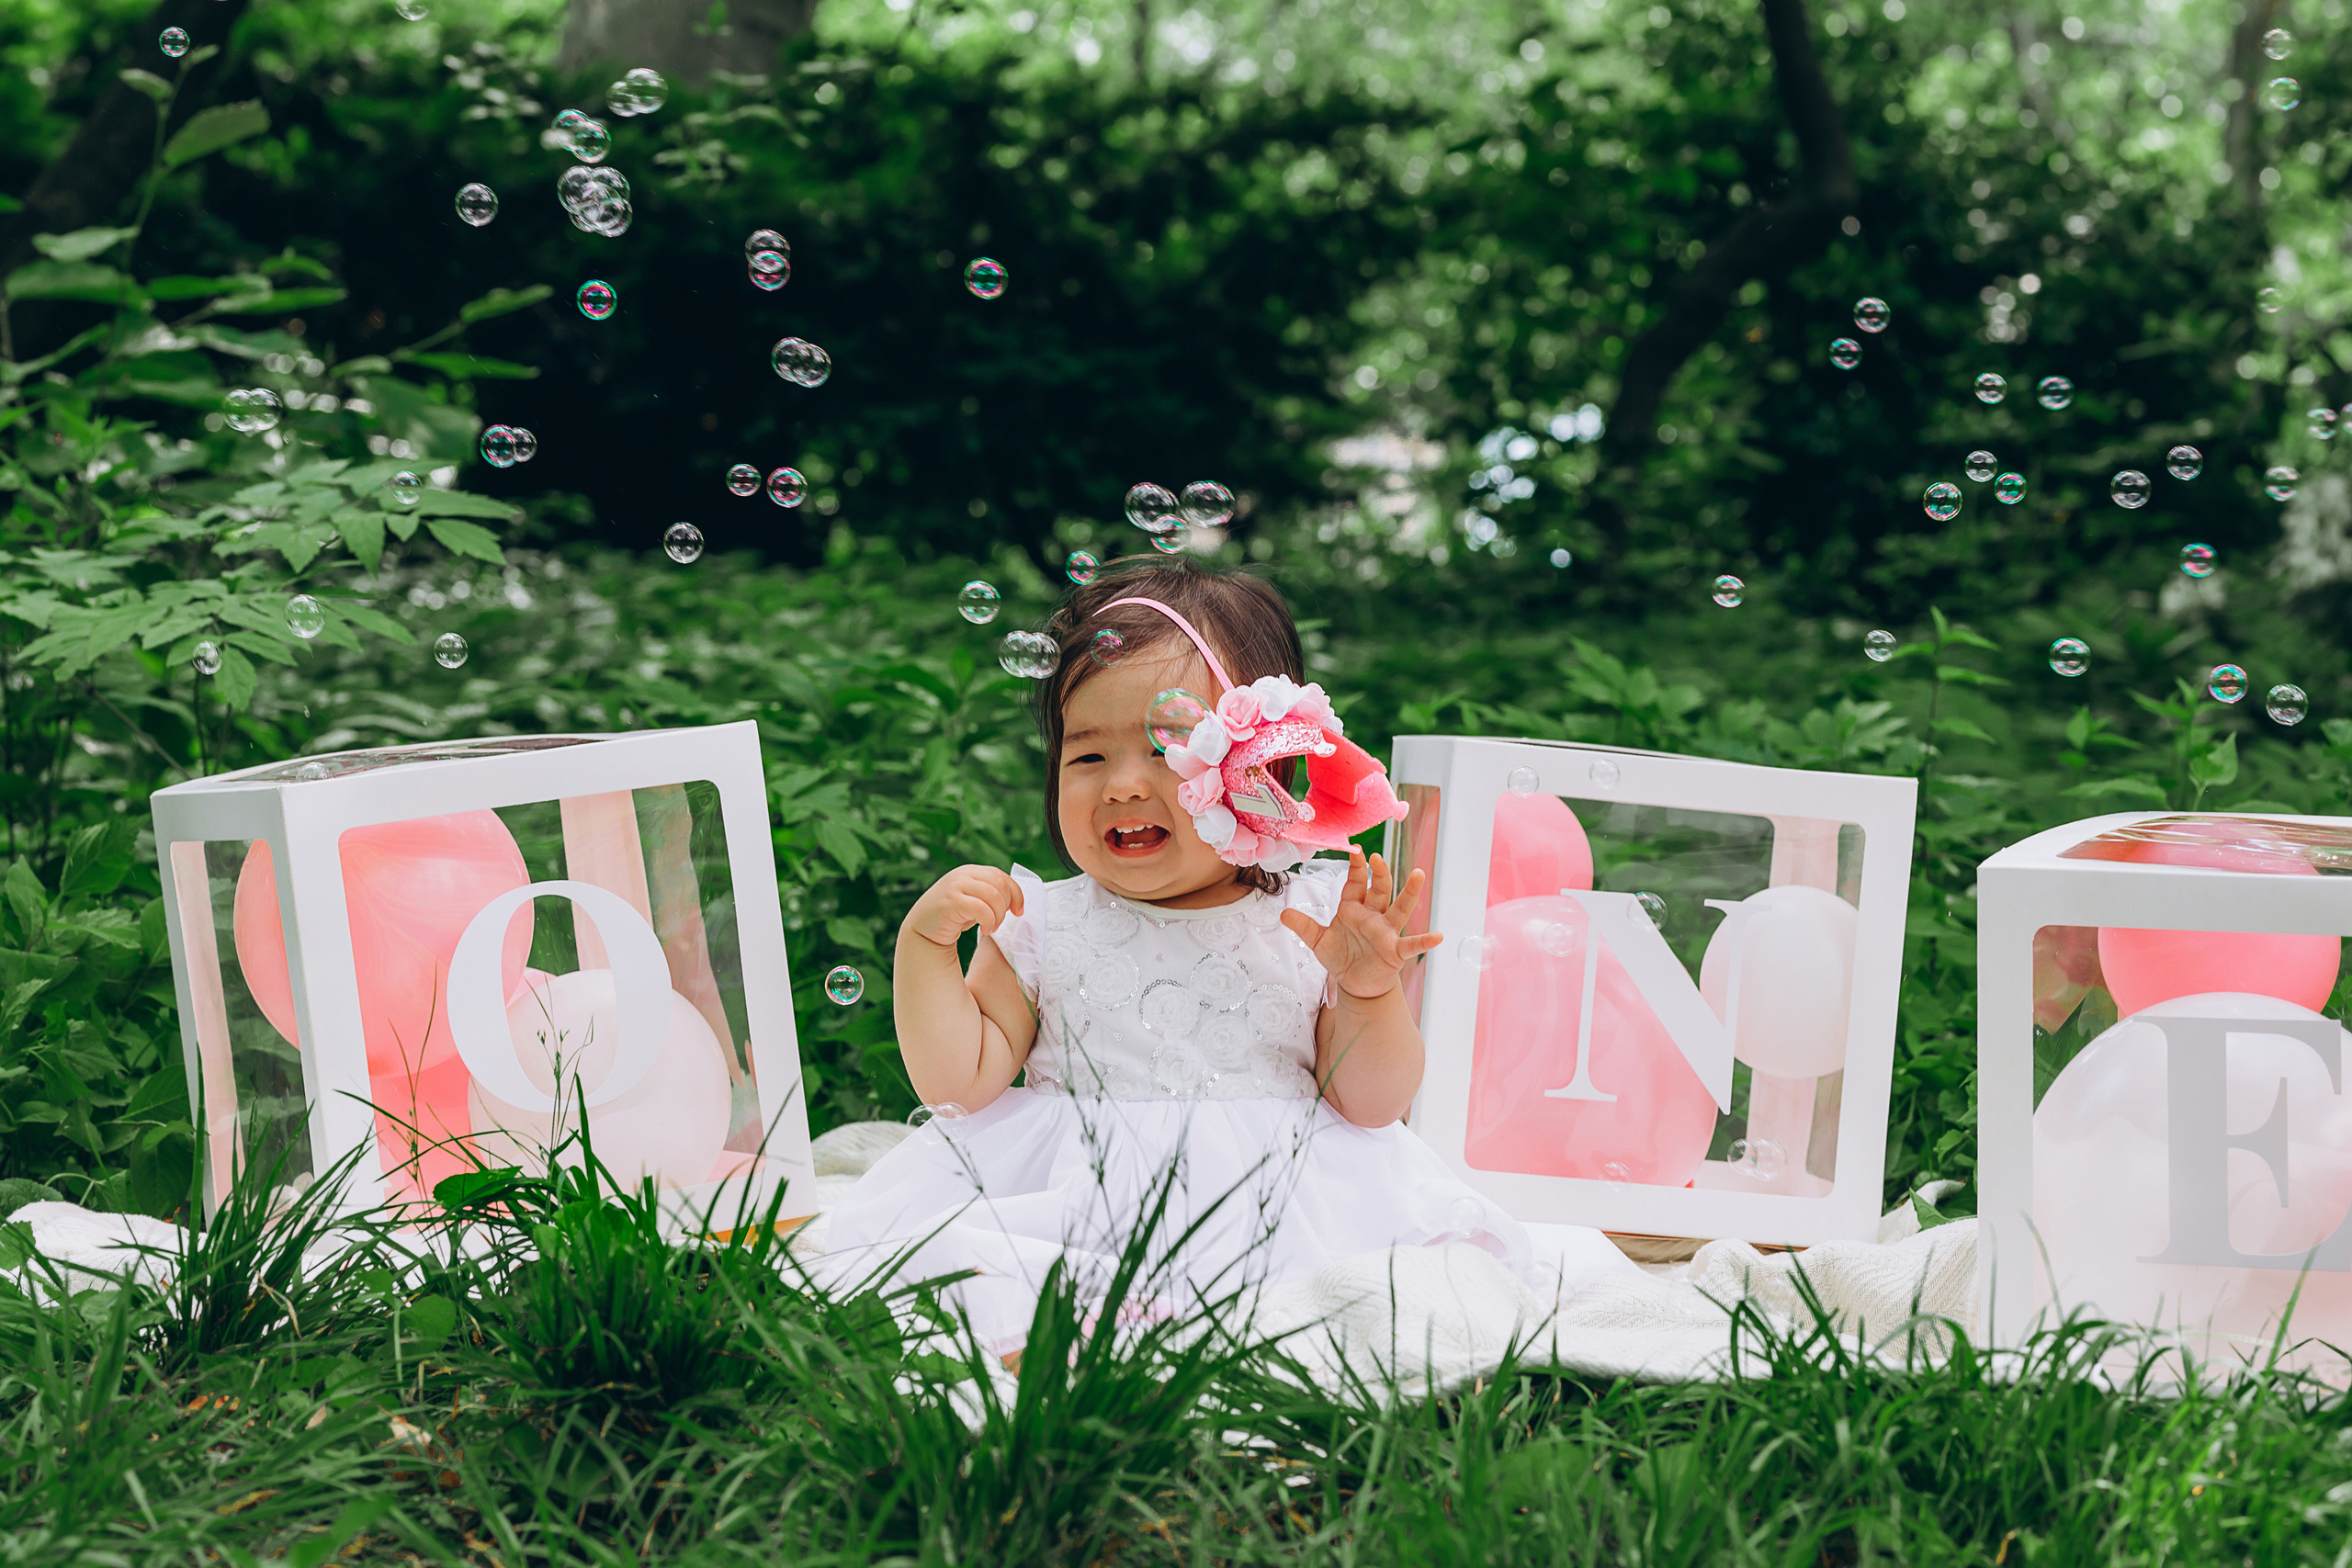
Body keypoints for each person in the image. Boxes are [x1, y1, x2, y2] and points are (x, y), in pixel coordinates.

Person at [822, 562, 1600, 1349]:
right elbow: (959, 1083)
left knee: (1373, 1306)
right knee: (989, 1289)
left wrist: (1367, 992)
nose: (1124, 785)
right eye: (1087, 757)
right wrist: (923, 950)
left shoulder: (1311, 919)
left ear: (1260, 764)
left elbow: (1370, 1104)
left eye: (1169, 749)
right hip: (1081, 1209)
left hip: (1282, 1212)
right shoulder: (1045, 919)